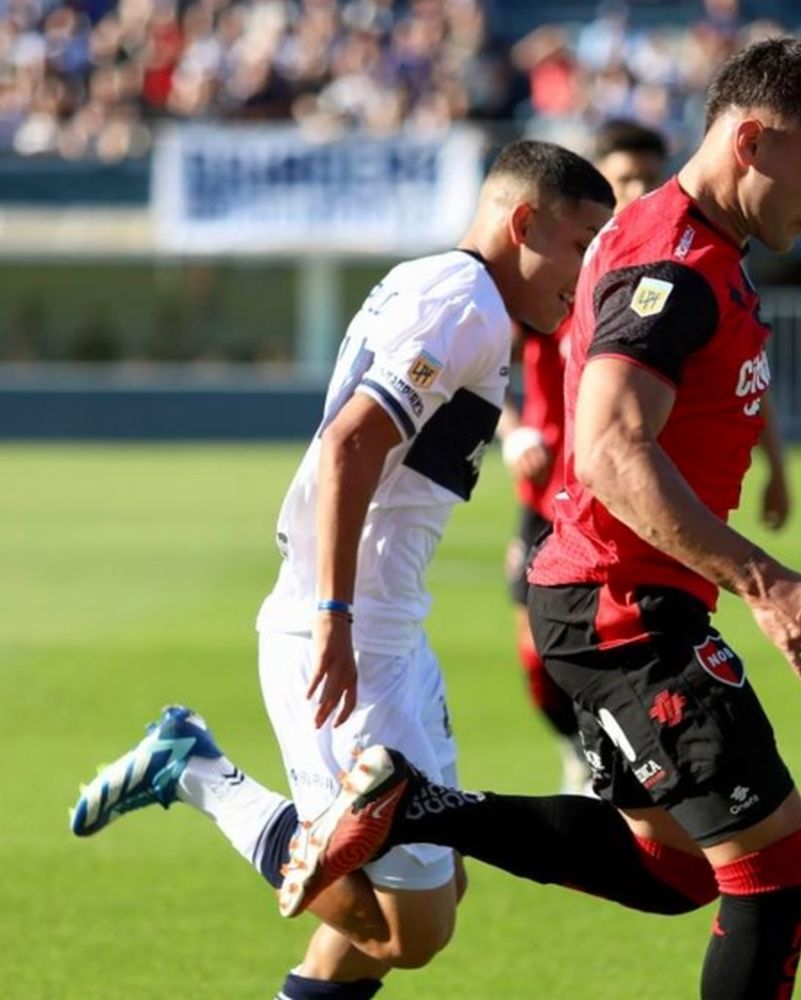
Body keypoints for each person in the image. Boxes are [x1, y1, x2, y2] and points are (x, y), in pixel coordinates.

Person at [264, 38, 801, 1000]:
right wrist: (768, 579)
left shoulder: (701, 249)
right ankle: (389, 804)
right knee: (774, 877)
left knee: (671, 872)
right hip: (623, 606)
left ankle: (416, 805)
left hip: (617, 598)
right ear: (751, 140)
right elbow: (613, 451)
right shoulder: (665, 265)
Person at [69, 141, 615, 1000]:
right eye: (582, 242)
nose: (584, 273)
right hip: (348, 635)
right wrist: (334, 612)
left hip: (389, 628)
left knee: (437, 888)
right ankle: (194, 770)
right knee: (412, 928)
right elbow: (350, 440)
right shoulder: (464, 300)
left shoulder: (443, 288)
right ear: (524, 222)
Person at [496, 119, 794, 796]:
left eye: (643, 178)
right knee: (537, 660)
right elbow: (489, 371)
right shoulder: (575, 273)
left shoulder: (682, 271)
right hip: (555, 506)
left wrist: (778, 465)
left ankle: (603, 761)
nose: (633, 191)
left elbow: (748, 374)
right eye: (620, 179)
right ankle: (585, 750)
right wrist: (515, 432)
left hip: (639, 523)